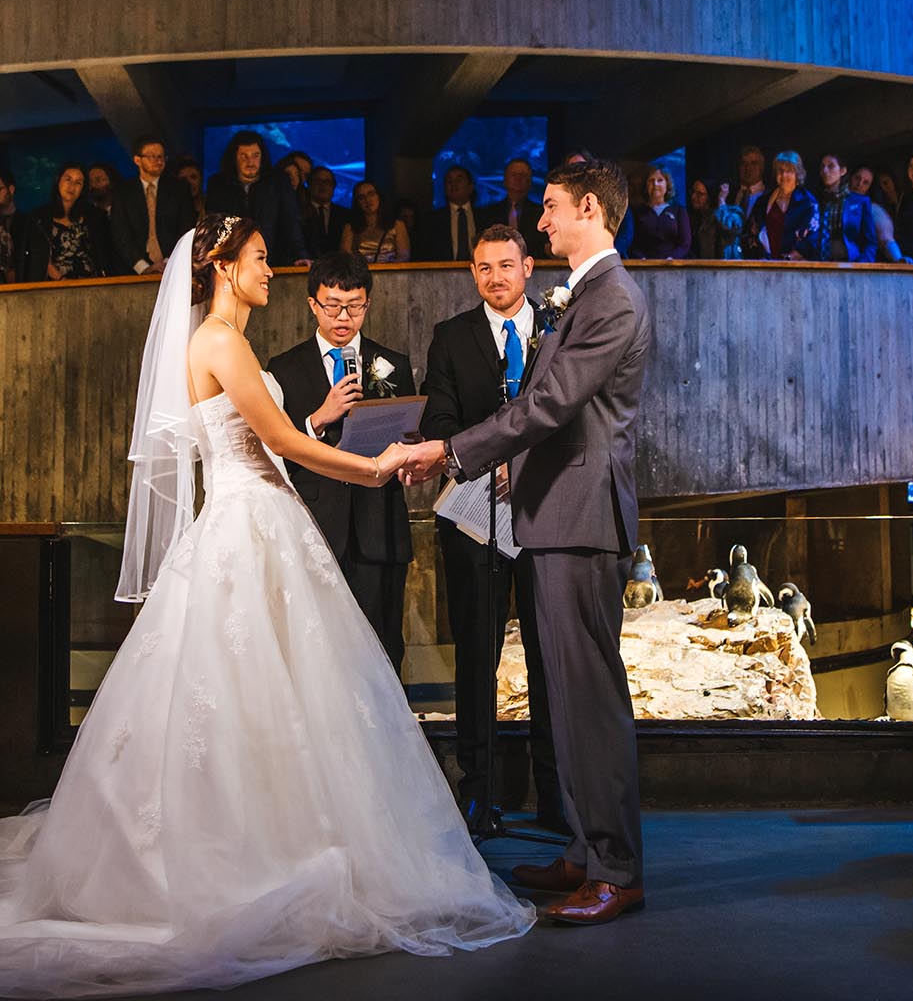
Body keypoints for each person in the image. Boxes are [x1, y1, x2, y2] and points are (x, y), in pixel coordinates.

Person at [0, 216, 532, 995]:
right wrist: (373, 468)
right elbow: (284, 437)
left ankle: (281, 839)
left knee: (283, 697)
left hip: (265, 518)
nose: (270, 272)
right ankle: (250, 855)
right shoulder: (219, 341)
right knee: (251, 693)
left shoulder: (220, 342)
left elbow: (272, 442)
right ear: (222, 267)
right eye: (261, 259)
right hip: (249, 522)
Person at [401, 158, 652, 927]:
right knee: (568, 700)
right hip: (555, 517)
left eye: (548, 209)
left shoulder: (611, 299)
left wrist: (448, 453)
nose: (540, 222)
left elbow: (545, 404)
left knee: (591, 699)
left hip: (580, 519)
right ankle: (583, 846)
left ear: (588, 208)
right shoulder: (582, 297)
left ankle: (615, 867)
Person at [419, 225, 565, 836]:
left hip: (544, 512)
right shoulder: (450, 337)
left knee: (547, 656)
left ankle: (557, 797)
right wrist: (489, 459)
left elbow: (570, 413)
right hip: (475, 517)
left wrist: (522, 463)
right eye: (483, 268)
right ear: (473, 273)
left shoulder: (559, 329)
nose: (495, 277)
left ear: (529, 267)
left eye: (507, 265)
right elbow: (441, 419)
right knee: (476, 656)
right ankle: (478, 797)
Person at [268, 251, 414, 673]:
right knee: (318, 656)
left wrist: (406, 451)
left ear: (367, 303)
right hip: (315, 526)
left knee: (383, 648)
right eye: (333, 305)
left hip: (378, 524)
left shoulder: (393, 365)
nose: (343, 317)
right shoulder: (285, 369)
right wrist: (317, 419)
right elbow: (275, 451)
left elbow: (406, 437)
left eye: (355, 305)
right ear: (313, 304)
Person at [204, 130, 308, 265]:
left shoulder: (277, 183)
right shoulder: (218, 185)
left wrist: (300, 255)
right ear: (234, 158)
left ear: (262, 157)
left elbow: (291, 222)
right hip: (232, 262)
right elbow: (214, 225)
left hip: (273, 261)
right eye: (244, 156)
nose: (250, 161)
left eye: (255, 156)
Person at [110, 135, 194, 275]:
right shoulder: (123, 192)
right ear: (137, 160)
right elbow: (120, 233)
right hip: (133, 270)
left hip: (173, 266)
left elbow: (186, 227)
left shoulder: (178, 189)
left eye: (161, 156)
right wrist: (142, 267)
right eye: (152, 156)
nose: (158, 161)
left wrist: (168, 262)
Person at [414, 165, 498, 262]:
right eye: (449, 181)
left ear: (470, 187)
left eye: (459, 179)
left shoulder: (487, 218)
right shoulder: (431, 221)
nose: (453, 184)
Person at [747, 150, 820, 260]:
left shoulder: (808, 202)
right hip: (764, 265)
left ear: (797, 174)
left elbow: (813, 237)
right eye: (780, 171)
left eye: (789, 171)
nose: (784, 175)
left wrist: (789, 258)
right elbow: (751, 231)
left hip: (795, 267)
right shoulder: (763, 201)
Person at [629, 165, 693, 259]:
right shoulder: (637, 212)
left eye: (660, 180)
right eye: (651, 180)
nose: (655, 184)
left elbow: (685, 243)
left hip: (672, 267)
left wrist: (672, 258)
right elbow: (631, 242)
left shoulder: (678, 211)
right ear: (646, 186)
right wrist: (641, 259)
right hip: (644, 267)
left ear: (667, 184)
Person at [339, 178, 410, 262]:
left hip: (391, 273)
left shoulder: (397, 225)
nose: (367, 200)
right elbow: (345, 258)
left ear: (379, 196)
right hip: (361, 274)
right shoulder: (350, 227)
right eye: (361, 197)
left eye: (371, 194)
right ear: (357, 202)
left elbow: (404, 257)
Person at [493, 157, 548, 258]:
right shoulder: (490, 213)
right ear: (505, 179)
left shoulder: (541, 213)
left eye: (523, 175)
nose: (518, 179)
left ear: (530, 180)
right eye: (514, 175)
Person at [300, 165, 344, 256]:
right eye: (317, 181)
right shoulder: (299, 213)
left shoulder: (345, 215)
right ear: (309, 185)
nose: (322, 185)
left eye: (327, 182)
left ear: (334, 186)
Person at [170, 154, 205, 223]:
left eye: (193, 177)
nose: (189, 183)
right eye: (183, 179)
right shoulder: (172, 210)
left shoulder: (211, 205)